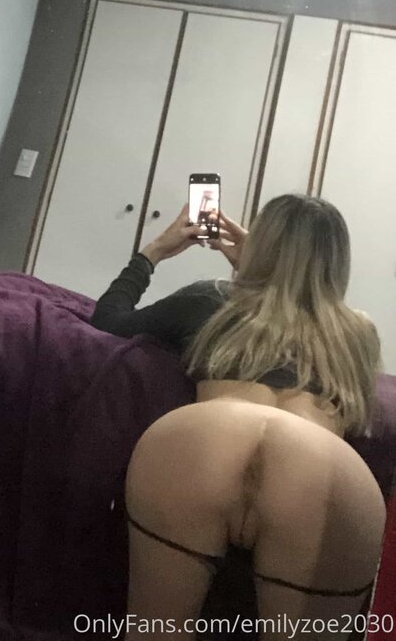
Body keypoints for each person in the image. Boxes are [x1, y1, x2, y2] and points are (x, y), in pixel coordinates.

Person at [91, 194, 385, 639]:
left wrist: (153, 252)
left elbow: (107, 322)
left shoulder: (211, 297)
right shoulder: (359, 333)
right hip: (319, 466)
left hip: (206, 438)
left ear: (260, 246)